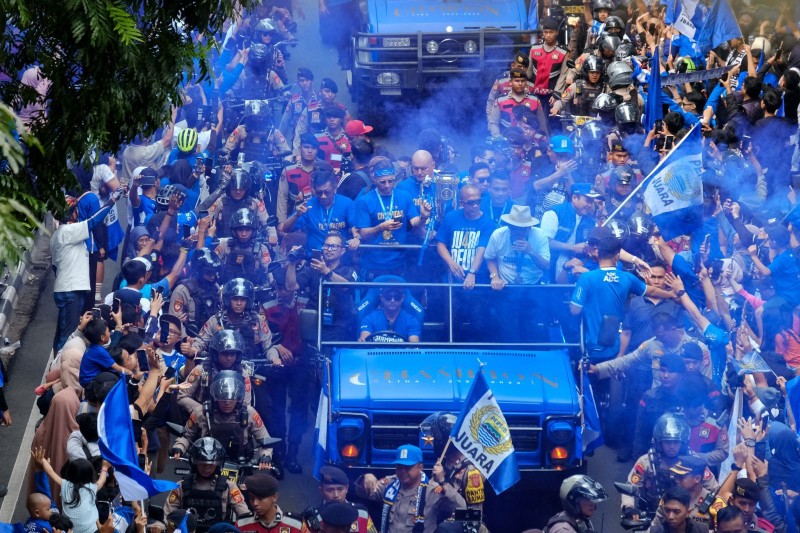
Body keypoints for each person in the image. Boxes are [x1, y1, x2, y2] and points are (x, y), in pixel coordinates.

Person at [570, 227, 674, 361]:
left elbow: (575, 310)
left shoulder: (586, 278)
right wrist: (671, 295)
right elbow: (652, 291)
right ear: (617, 257)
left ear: (598, 254)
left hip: (592, 348)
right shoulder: (626, 277)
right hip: (615, 348)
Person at [52, 192, 117, 352]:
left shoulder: (58, 235)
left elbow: (55, 267)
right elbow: (93, 221)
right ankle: (62, 364)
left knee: (62, 332)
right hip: (71, 289)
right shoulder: (69, 231)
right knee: (69, 335)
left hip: (67, 288)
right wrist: (112, 201)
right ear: (72, 213)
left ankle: (58, 362)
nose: (78, 212)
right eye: (76, 210)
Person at [171, 371, 275, 468]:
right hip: (207, 464)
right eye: (223, 399)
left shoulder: (249, 413)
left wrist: (265, 456)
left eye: (231, 399)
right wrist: (179, 447)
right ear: (215, 398)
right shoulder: (201, 412)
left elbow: (265, 440)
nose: (227, 403)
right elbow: (186, 436)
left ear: (239, 398)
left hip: (241, 464)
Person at [355, 444, 466, 533]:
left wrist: (442, 482)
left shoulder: (432, 490)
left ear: (420, 467)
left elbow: (461, 507)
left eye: (407, 467)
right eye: (399, 467)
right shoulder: (390, 485)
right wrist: (365, 478)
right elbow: (361, 492)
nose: (402, 471)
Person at [353, 158, 431, 280]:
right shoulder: (365, 200)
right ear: (374, 179)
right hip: (373, 262)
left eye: (391, 181)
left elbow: (415, 223)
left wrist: (423, 217)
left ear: (394, 176)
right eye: (382, 182)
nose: (387, 185)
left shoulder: (405, 196)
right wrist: (380, 227)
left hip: (398, 261)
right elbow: (363, 234)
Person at [163, 437, 249, 530]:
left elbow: (244, 514)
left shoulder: (228, 486)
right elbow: (167, 515)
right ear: (195, 463)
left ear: (218, 464)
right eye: (202, 464)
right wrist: (158, 526)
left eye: (211, 465)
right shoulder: (181, 486)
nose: (207, 468)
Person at [31, 448, 110, 533]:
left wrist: (42, 460)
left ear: (70, 473)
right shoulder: (92, 488)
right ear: (91, 474)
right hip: (93, 530)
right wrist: (105, 467)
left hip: (70, 531)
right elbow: (102, 480)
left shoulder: (65, 485)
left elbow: (50, 471)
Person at [281, 168, 358, 252]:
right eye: (319, 193)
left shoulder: (346, 203)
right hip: (315, 255)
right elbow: (286, 229)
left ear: (334, 188)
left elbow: (355, 227)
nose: (323, 196)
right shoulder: (309, 205)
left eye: (327, 192)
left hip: (338, 255)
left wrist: (356, 238)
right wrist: (296, 216)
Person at [178, 330, 254, 415]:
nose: (229, 358)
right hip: (203, 417)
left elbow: (246, 405)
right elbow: (182, 396)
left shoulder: (243, 374)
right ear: (216, 354)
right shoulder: (201, 370)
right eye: (225, 354)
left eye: (232, 354)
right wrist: (201, 410)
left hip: (232, 418)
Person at [302, 466, 376, 533]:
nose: (336, 495)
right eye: (330, 490)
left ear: (347, 488)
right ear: (321, 491)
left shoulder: (361, 513)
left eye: (340, 489)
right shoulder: (312, 519)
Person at [649, 456, 714, 529]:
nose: (676, 479)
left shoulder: (712, 502)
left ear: (697, 478)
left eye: (681, 477)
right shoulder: (669, 498)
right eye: (676, 475)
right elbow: (654, 527)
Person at [215, 208, 273, 285]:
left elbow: (268, 269)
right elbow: (214, 264)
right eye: (240, 230)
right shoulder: (224, 245)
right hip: (227, 288)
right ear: (234, 231)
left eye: (247, 230)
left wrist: (273, 282)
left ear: (253, 231)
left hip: (253, 289)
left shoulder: (261, 249)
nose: (244, 234)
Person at [169, 248, 221, 332]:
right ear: (198, 271)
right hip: (189, 336)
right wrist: (186, 337)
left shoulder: (215, 287)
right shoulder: (182, 291)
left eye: (214, 273)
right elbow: (174, 323)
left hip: (213, 335)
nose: (212, 277)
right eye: (208, 273)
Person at [236, 473, 304, 533]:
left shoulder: (296, 525)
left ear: (274, 497)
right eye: (252, 498)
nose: (255, 503)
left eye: (260, 498)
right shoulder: (241, 524)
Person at [277, 132, 318, 224]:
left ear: (317, 150)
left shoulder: (323, 170)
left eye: (313, 148)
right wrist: (281, 222)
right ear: (300, 148)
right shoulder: (288, 171)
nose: (310, 151)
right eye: (306, 147)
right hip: (294, 218)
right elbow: (282, 198)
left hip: (318, 218)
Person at [542, 475, 607, 533]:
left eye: (594, 500)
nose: (593, 505)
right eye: (588, 499)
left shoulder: (578, 519)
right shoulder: (564, 529)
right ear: (573, 500)